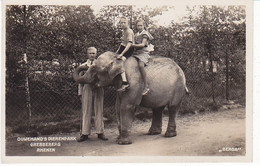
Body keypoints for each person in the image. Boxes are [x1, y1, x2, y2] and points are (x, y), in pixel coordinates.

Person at [77, 47, 108, 142]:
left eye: (94, 53)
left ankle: (100, 132)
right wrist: (80, 93)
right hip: (87, 88)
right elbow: (80, 80)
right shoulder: (83, 66)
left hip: (98, 88)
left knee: (99, 109)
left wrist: (101, 84)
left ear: (96, 54)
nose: (92, 55)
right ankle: (85, 133)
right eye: (90, 53)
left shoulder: (99, 65)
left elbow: (105, 78)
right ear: (87, 54)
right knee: (86, 110)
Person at [132, 19, 154, 95]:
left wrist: (132, 45)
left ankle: (146, 86)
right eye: (138, 25)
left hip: (143, 53)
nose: (139, 27)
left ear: (144, 26)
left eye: (141, 25)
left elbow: (142, 44)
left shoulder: (145, 34)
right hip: (136, 53)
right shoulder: (136, 34)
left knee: (141, 65)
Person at [115, 16, 135, 92]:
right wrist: (117, 52)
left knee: (120, 62)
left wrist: (122, 54)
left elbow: (129, 44)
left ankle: (125, 82)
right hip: (123, 47)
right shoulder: (124, 31)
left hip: (128, 49)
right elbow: (122, 43)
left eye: (124, 22)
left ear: (128, 23)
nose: (123, 24)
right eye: (121, 23)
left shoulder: (129, 31)